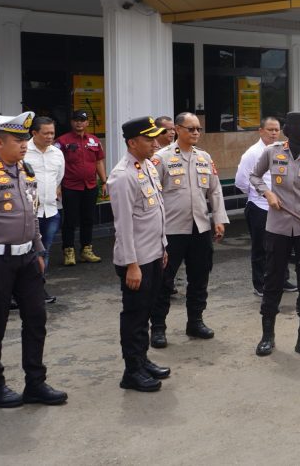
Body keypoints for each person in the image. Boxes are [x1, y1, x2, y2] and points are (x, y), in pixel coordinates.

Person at [0, 111, 67, 408]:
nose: (23, 145)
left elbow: (31, 213)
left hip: (27, 259)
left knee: (36, 319)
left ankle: (36, 383)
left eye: (23, 139)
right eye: (17, 140)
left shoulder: (25, 170)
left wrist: (39, 249)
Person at [250, 111, 300, 360]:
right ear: (294, 129)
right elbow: (253, 176)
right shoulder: (272, 152)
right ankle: (267, 336)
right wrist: (267, 193)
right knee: (273, 280)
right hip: (278, 227)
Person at [149, 112, 228, 348]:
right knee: (164, 281)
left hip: (200, 227)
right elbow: (154, 194)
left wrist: (219, 219)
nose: (195, 133)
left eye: (198, 129)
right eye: (190, 128)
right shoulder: (161, 158)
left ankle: (195, 321)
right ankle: (158, 328)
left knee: (199, 277)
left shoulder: (204, 157)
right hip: (171, 230)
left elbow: (214, 191)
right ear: (177, 129)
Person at [109, 116, 170, 392]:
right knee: (134, 317)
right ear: (132, 142)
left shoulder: (147, 167)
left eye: (156, 138)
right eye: (149, 139)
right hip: (136, 261)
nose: (155, 144)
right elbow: (123, 226)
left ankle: (142, 360)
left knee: (145, 313)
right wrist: (132, 264)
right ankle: (131, 371)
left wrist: (163, 246)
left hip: (153, 254)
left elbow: (157, 211)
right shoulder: (123, 176)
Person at [235, 116, 297, 296]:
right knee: (261, 247)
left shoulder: (282, 150)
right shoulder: (253, 153)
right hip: (260, 207)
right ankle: (260, 283)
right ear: (260, 131)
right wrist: (258, 194)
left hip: (283, 208)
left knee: (282, 245)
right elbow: (241, 181)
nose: (274, 133)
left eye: (277, 129)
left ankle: (282, 279)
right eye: (270, 129)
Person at [56, 110, 106, 266]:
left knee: (88, 219)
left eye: (82, 120)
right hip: (70, 186)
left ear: (87, 123)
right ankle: (68, 251)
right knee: (70, 220)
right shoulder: (62, 141)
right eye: (76, 120)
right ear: (71, 122)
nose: (79, 123)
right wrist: (57, 185)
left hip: (90, 186)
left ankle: (86, 250)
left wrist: (104, 182)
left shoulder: (94, 141)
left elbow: (98, 162)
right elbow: (56, 164)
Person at [24, 116, 64, 304]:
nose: (50, 137)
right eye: (46, 133)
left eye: (52, 133)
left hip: (50, 211)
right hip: (28, 213)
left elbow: (58, 179)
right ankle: (20, 291)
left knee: (44, 252)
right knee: (24, 254)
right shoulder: (23, 151)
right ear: (34, 133)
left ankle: (38, 289)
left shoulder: (57, 153)